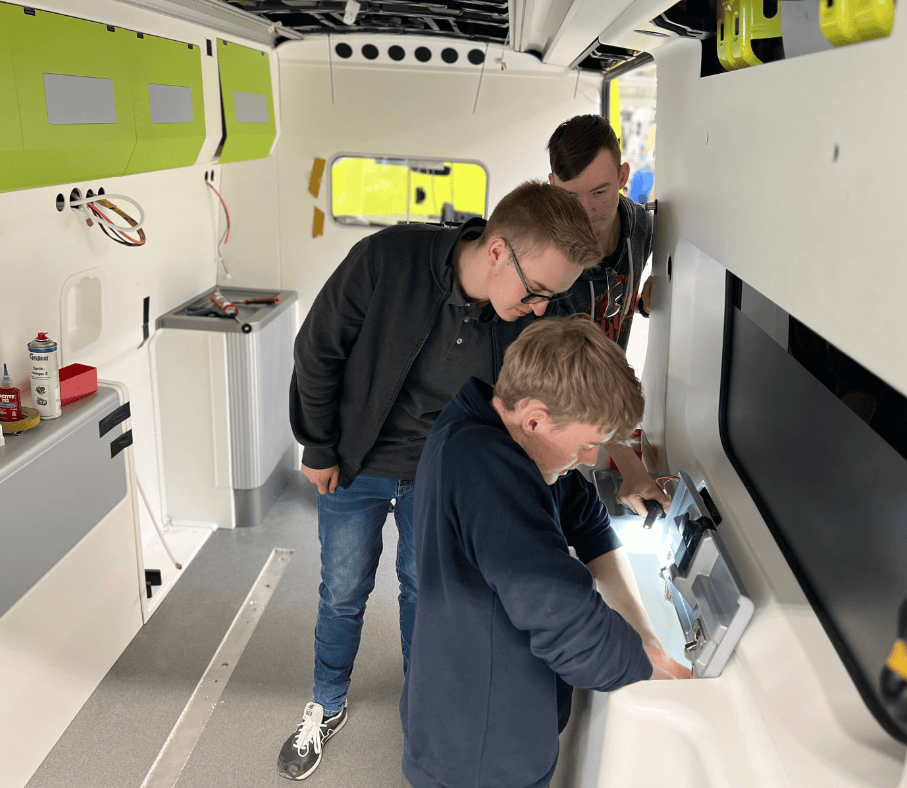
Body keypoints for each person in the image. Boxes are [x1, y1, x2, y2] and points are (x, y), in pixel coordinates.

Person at [278, 181, 603, 780]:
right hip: (357, 462)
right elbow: (318, 349)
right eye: (536, 292)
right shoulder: (387, 259)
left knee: (426, 596)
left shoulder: (540, 316)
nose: (540, 309)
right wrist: (317, 443)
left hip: (444, 478)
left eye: (551, 297)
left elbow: (566, 400)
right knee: (342, 591)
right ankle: (325, 703)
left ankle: (423, 706)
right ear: (498, 251)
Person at [401, 318, 691, 788]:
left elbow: (588, 520)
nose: (591, 459)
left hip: (467, 698)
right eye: (587, 444)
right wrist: (657, 675)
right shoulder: (486, 471)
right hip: (483, 746)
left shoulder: (501, 428)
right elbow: (570, 628)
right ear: (535, 418)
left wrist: (643, 634)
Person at [547, 114, 668, 516]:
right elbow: (574, 374)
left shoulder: (643, 228)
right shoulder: (548, 259)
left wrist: (643, 304)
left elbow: (610, 300)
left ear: (623, 177)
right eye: (571, 197)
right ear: (552, 186)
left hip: (601, 411)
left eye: (599, 191)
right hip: (551, 410)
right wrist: (630, 465)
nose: (586, 209)